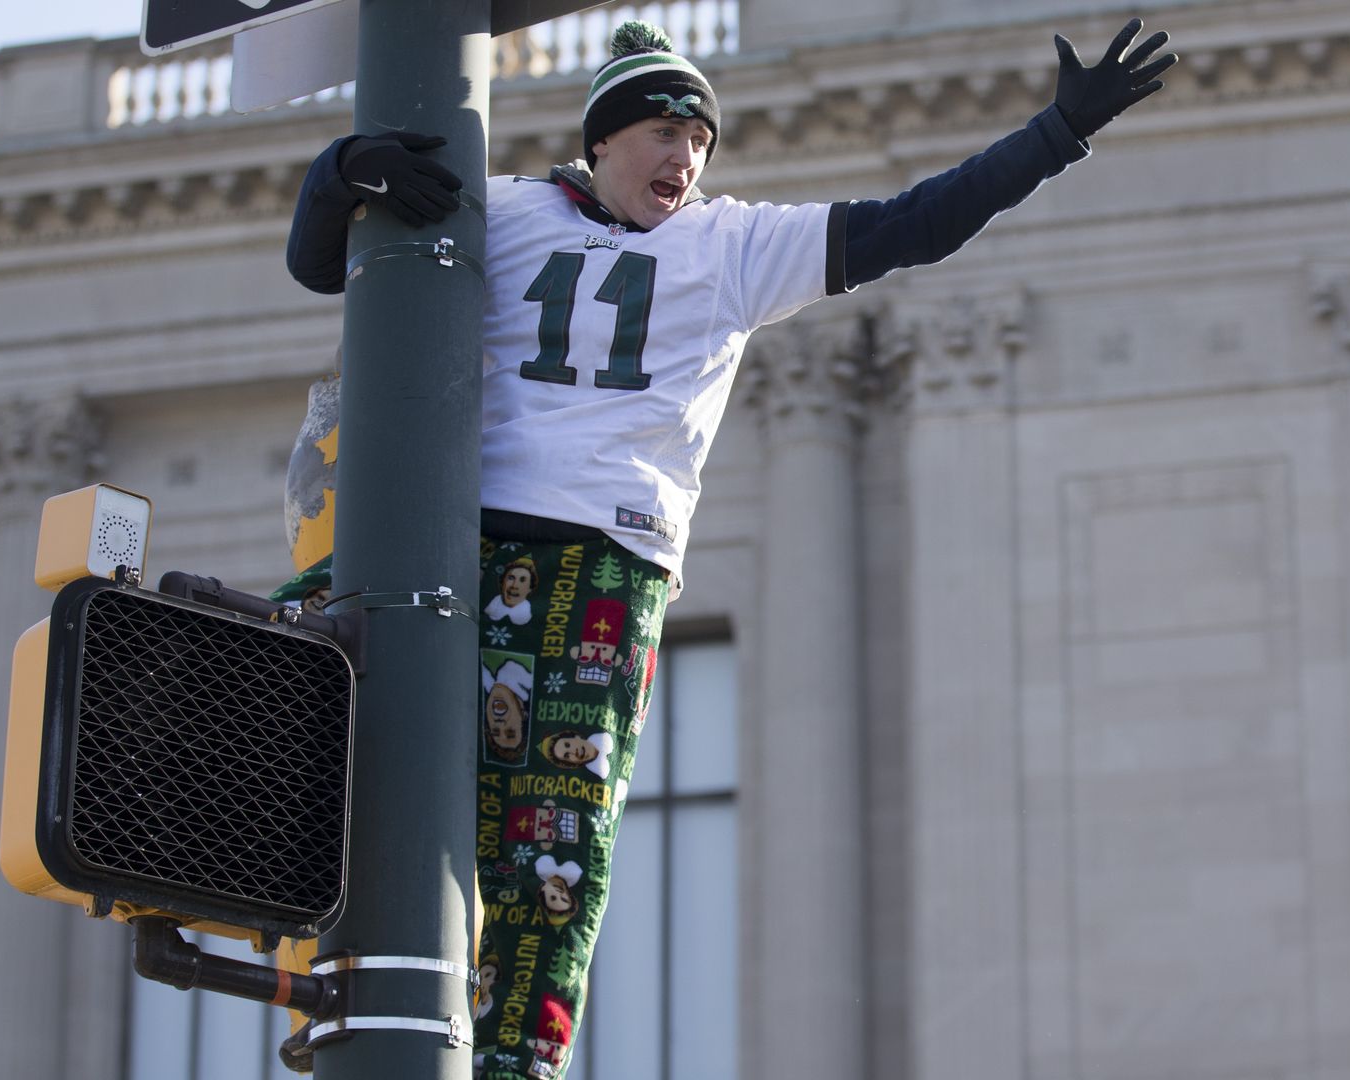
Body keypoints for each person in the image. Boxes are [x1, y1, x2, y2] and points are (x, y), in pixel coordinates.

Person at [277, 17, 1174, 1078]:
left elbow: (916, 225)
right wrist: (340, 174)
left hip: (605, 564)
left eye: (700, 141)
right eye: (663, 132)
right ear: (603, 141)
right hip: (454, 539)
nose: (685, 157)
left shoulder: (735, 247)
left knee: (554, 843)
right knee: (320, 696)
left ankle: (515, 1061)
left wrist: (1057, 133)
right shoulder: (507, 209)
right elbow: (322, 267)